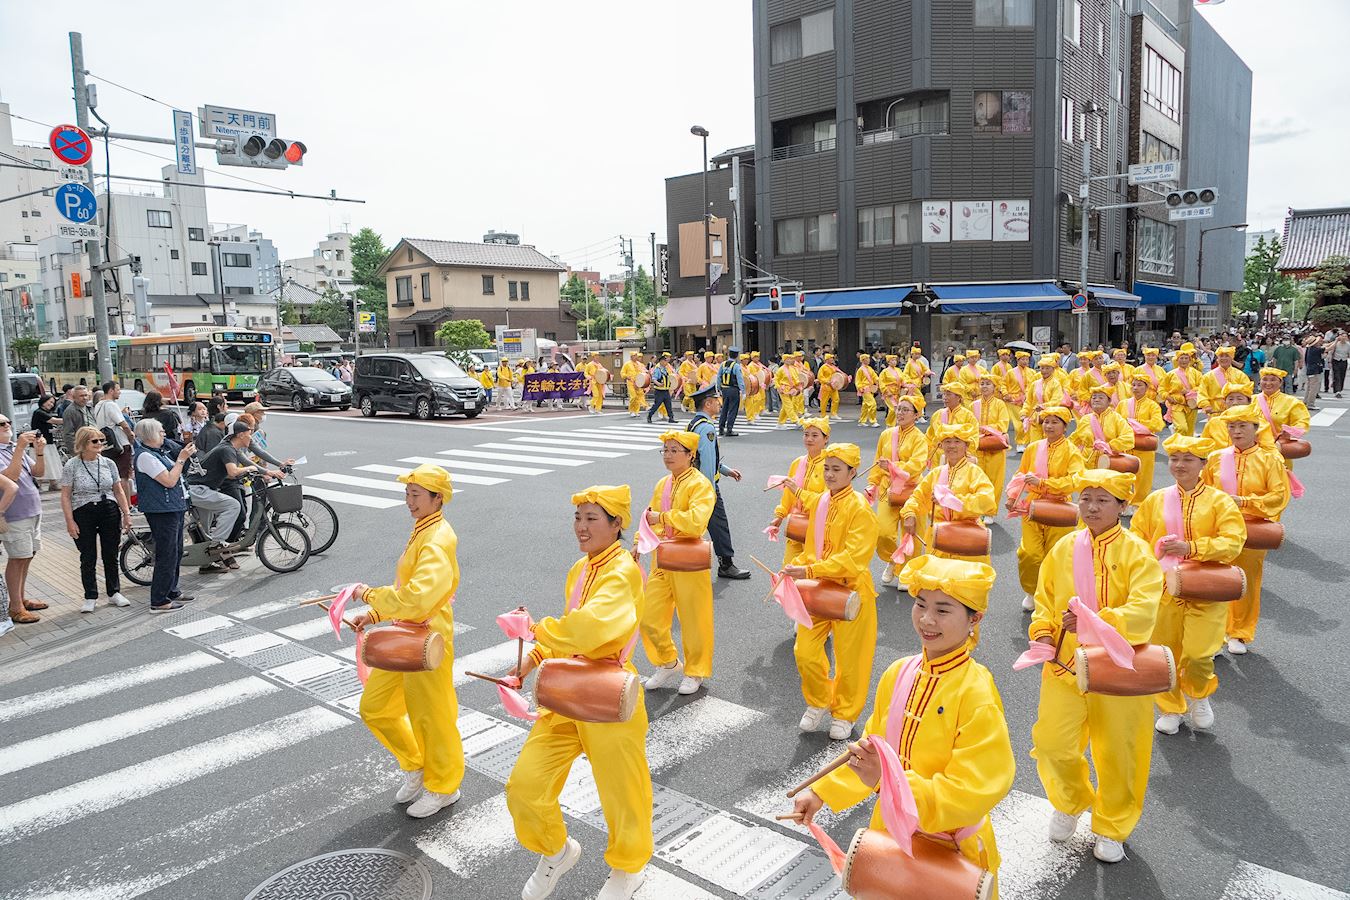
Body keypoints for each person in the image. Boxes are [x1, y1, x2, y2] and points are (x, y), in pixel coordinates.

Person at [791, 555, 1014, 891]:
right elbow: (872, 749)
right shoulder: (899, 673)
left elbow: (975, 788)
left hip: (950, 848)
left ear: (975, 618)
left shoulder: (976, 692)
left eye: (942, 610)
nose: (926, 619)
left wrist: (891, 784)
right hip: (891, 833)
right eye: (920, 604)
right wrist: (821, 792)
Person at [506, 485, 652, 900]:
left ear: (616, 524)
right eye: (577, 518)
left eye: (592, 519)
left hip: (608, 695)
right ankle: (556, 851)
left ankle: (628, 869)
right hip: (568, 690)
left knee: (622, 793)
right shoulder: (580, 568)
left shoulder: (623, 571)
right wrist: (534, 657)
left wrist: (538, 630)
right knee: (525, 786)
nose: (581, 527)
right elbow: (571, 630)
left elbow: (589, 630)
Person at [1028, 469, 1163, 864]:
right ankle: (1070, 801)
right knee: (1052, 744)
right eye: (1085, 498)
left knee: (1120, 752)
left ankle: (1112, 825)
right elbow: (1044, 599)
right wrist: (1042, 633)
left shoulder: (1137, 552)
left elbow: (1144, 611)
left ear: (1123, 506)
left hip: (1120, 669)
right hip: (1065, 665)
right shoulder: (1064, 548)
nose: (1091, 507)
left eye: (1102, 500)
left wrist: (1094, 622)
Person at [350, 464, 464, 820]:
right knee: (375, 707)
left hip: (428, 640)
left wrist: (369, 595)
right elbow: (407, 591)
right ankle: (416, 765)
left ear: (437, 498)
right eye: (407, 494)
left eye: (416, 495)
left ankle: (444, 787)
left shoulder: (437, 538)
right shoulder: (423, 529)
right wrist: (375, 614)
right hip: (405, 634)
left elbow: (417, 598)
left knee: (433, 717)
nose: (409, 501)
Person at [1131, 435, 1244, 735]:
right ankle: (1170, 708)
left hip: (1206, 590)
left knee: (1197, 655)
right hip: (1163, 590)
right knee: (1164, 655)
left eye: (1188, 460)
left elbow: (1233, 542)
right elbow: (1136, 538)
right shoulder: (1156, 499)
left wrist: (1191, 548)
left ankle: (1199, 693)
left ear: (1203, 464)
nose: (1179, 465)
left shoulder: (1219, 502)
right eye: (1174, 459)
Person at [781, 443, 880, 740]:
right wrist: (795, 567)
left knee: (851, 659)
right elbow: (813, 549)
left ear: (853, 472)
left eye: (837, 469)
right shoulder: (823, 501)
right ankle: (819, 700)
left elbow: (854, 560)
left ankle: (845, 713)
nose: (829, 474)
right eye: (826, 468)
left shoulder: (860, 508)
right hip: (819, 588)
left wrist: (810, 571)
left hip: (850, 591)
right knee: (804, 651)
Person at [1202, 404, 1291, 656]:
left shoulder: (1269, 459)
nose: (1237, 431)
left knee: (1245, 580)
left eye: (1242, 426)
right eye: (1232, 426)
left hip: (1252, 527)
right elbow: (1203, 490)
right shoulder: (1216, 457)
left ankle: (1239, 632)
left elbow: (1279, 496)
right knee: (1216, 580)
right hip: (1218, 527)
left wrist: (1245, 502)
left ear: (1256, 428)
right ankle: (1213, 636)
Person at [641, 432, 717, 695]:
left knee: (694, 619)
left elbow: (696, 521)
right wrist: (639, 542)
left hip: (688, 558)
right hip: (662, 557)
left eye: (674, 450)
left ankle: (695, 671)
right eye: (665, 450)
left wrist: (663, 518)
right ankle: (668, 662)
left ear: (690, 455)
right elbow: (649, 517)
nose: (668, 455)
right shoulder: (663, 483)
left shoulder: (700, 485)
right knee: (649, 618)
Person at [1012, 407, 1086, 611]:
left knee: (1057, 555)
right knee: (1029, 553)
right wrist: (1012, 496)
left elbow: (1076, 480)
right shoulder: (1033, 448)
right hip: (1033, 506)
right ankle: (1032, 591)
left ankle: (1052, 594)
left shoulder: (1071, 451)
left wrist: (1045, 483)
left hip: (1060, 508)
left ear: (1065, 427)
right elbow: (1021, 475)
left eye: (1055, 422)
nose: (1049, 426)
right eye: (1046, 421)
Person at [901, 421, 997, 564]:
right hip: (939, 535)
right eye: (947, 441)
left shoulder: (974, 472)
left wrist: (951, 500)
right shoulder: (936, 473)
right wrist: (909, 513)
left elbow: (987, 501)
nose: (952, 446)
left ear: (966, 446)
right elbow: (917, 496)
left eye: (957, 441)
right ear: (941, 446)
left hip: (968, 535)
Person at [60, 425, 132, 613]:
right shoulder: (72, 465)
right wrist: (69, 521)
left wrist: (126, 513)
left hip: (108, 509)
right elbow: (65, 495)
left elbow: (118, 490)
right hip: (83, 511)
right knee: (88, 556)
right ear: (83, 443)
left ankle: (114, 592)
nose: (99, 443)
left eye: (101, 440)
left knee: (111, 553)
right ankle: (90, 596)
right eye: (95, 440)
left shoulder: (109, 463)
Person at [132, 418, 197, 613]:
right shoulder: (145, 456)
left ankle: (172, 591)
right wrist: (181, 459)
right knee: (166, 554)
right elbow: (169, 480)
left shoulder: (159, 452)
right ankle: (159, 600)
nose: (164, 435)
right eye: (161, 432)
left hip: (173, 506)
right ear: (151, 434)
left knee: (176, 551)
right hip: (161, 510)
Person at [687, 386, 750, 579]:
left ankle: (683, 561)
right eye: (716, 401)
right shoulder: (706, 427)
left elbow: (702, 457)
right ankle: (726, 565)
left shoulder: (694, 423)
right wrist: (710, 491)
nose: (719, 404)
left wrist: (725, 470)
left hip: (692, 483)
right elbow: (706, 462)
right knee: (719, 525)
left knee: (692, 524)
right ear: (708, 404)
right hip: (704, 486)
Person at [867, 394, 929, 588]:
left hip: (912, 491)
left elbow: (917, 465)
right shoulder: (886, 434)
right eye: (898, 409)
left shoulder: (920, 438)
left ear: (916, 415)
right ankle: (893, 561)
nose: (900, 413)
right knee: (883, 533)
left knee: (912, 533)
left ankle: (906, 573)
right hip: (888, 489)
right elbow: (878, 461)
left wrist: (893, 466)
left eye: (905, 410)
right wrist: (873, 483)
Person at [0, 421, 47, 623]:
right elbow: (11, 477)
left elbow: (38, 472)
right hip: (14, 514)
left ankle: (19, 599)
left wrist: (39, 452)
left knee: (27, 556)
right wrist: (20, 447)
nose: (7, 425)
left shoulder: (11, 448)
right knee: (18, 558)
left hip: (32, 511)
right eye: (1, 423)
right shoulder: (12, 449)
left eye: (8, 422)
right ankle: (16, 607)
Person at [769, 417, 829, 568]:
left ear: (826, 439)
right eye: (806, 434)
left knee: (811, 570)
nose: (809, 439)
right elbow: (789, 494)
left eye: (815, 435)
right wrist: (780, 515)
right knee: (788, 568)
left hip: (817, 526)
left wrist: (799, 492)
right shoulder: (798, 462)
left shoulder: (830, 465)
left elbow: (827, 500)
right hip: (796, 523)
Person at [1119, 375, 1165, 510]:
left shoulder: (1152, 405)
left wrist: (1135, 423)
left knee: (1143, 476)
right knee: (1123, 476)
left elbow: (1157, 424)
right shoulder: (1123, 404)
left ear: (1146, 388)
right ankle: (1123, 503)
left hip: (1144, 446)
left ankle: (1138, 503)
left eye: (1139, 385)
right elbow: (1116, 422)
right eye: (1133, 385)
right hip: (1125, 445)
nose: (1135, 388)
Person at [1070, 385, 1134, 468]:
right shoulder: (1085, 419)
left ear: (1109, 401)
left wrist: (1108, 446)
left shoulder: (1116, 418)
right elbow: (1074, 439)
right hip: (1087, 463)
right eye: (1094, 398)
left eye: (1101, 397)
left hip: (1109, 463)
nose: (1096, 400)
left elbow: (1128, 438)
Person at [973, 373, 1012, 504]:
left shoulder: (1000, 404)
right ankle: (978, 507)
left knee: (995, 479)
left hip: (995, 446)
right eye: (982, 384)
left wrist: (986, 429)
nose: (984, 386)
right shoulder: (974, 405)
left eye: (988, 384)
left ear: (994, 387)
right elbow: (969, 424)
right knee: (977, 478)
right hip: (978, 447)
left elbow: (1003, 424)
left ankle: (990, 508)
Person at [93, 381, 135, 501]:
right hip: (120, 443)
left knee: (112, 475)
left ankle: (116, 501)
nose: (119, 392)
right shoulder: (111, 405)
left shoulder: (98, 405)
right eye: (118, 389)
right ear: (111, 391)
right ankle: (127, 504)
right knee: (123, 476)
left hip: (107, 444)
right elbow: (124, 424)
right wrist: (130, 436)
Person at [1021, 356, 1069, 445]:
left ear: (1053, 369)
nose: (1044, 371)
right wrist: (1024, 413)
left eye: (1047, 368)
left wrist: (1043, 406)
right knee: (1035, 445)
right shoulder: (1035, 384)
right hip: (1035, 420)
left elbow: (1056, 401)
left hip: (1050, 420)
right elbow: (1028, 401)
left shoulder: (1056, 384)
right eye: (1042, 368)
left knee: (1049, 445)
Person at [1199, 347, 1253, 415]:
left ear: (1231, 358)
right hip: (1216, 412)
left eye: (1227, 356)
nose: (1224, 358)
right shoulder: (1208, 376)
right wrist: (1206, 405)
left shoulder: (1240, 375)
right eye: (1221, 356)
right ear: (1217, 359)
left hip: (1236, 411)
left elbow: (1248, 392)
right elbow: (1202, 393)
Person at [29, 395, 63, 491]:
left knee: (50, 463)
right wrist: (70, 419)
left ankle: (53, 483)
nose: (51, 404)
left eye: (53, 403)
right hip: (40, 444)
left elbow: (46, 428)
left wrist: (54, 430)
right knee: (43, 463)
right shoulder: (39, 412)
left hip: (47, 442)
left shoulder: (43, 413)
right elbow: (54, 420)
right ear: (43, 401)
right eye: (50, 402)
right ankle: (38, 485)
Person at [1002, 350, 1033, 452]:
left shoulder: (1032, 372)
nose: (1025, 361)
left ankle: (1027, 442)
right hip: (1014, 400)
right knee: (1019, 423)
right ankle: (1020, 443)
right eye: (1022, 359)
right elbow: (1003, 384)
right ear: (1018, 360)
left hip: (1027, 400)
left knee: (1029, 422)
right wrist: (1006, 394)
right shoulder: (1011, 372)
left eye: (1027, 359)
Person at [717, 348, 745, 437]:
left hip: (724, 389)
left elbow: (718, 377)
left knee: (724, 409)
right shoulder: (736, 366)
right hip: (733, 390)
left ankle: (721, 429)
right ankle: (729, 429)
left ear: (729, 354)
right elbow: (740, 379)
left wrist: (718, 388)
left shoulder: (723, 364)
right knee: (732, 410)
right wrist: (743, 391)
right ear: (736, 356)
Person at [774, 353, 806, 428]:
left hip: (792, 389)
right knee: (789, 406)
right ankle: (796, 421)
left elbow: (796, 378)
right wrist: (778, 387)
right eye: (788, 359)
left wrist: (798, 387)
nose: (790, 360)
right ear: (784, 360)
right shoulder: (781, 369)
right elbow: (776, 379)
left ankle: (780, 423)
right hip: (783, 389)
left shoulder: (792, 368)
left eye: (791, 359)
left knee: (785, 407)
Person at [854, 353, 879, 427]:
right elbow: (858, 380)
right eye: (867, 359)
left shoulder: (870, 368)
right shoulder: (860, 370)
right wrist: (860, 387)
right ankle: (873, 421)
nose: (868, 360)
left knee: (865, 405)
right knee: (872, 404)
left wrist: (878, 381)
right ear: (863, 360)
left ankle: (862, 420)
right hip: (865, 389)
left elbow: (875, 377)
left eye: (868, 358)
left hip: (870, 388)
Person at [743, 351, 768, 424]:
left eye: (758, 357)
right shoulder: (750, 366)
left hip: (757, 383)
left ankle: (756, 413)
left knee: (760, 398)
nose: (757, 358)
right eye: (755, 357)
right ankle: (754, 414)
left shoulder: (757, 365)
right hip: (751, 385)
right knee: (755, 400)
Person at [620, 352, 646, 418]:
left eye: (636, 355)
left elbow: (642, 372)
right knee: (633, 396)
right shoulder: (627, 364)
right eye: (634, 356)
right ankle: (631, 410)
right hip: (631, 383)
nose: (636, 357)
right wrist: (626, 376)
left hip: (638, 382)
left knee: (638, 397)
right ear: (631, 357)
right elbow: (622, 373)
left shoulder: (639, 364)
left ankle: (636, 411)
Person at [1302, 335, 1324, 409]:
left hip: (1310, 370)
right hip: (1314, 370)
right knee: (1313, 388)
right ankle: (1310, 404)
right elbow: (1327, 349)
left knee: (1309, 387)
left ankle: (1305, 401)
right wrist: (1335, 342)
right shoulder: (1315, 350)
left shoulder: (1309, 349)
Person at [1331, 331, 1350, 397]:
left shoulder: (1348, 345)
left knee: (1342, 375)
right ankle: (1337, 391)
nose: (1344, 338)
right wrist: (1330, 361)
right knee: (1337, 375)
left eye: (1345, 336)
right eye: (1343, 336)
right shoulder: (1336, 343)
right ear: (1340, 337)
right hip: (1336, 360)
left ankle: (1339, 389)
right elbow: (1332, 352)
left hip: (1344, 361)